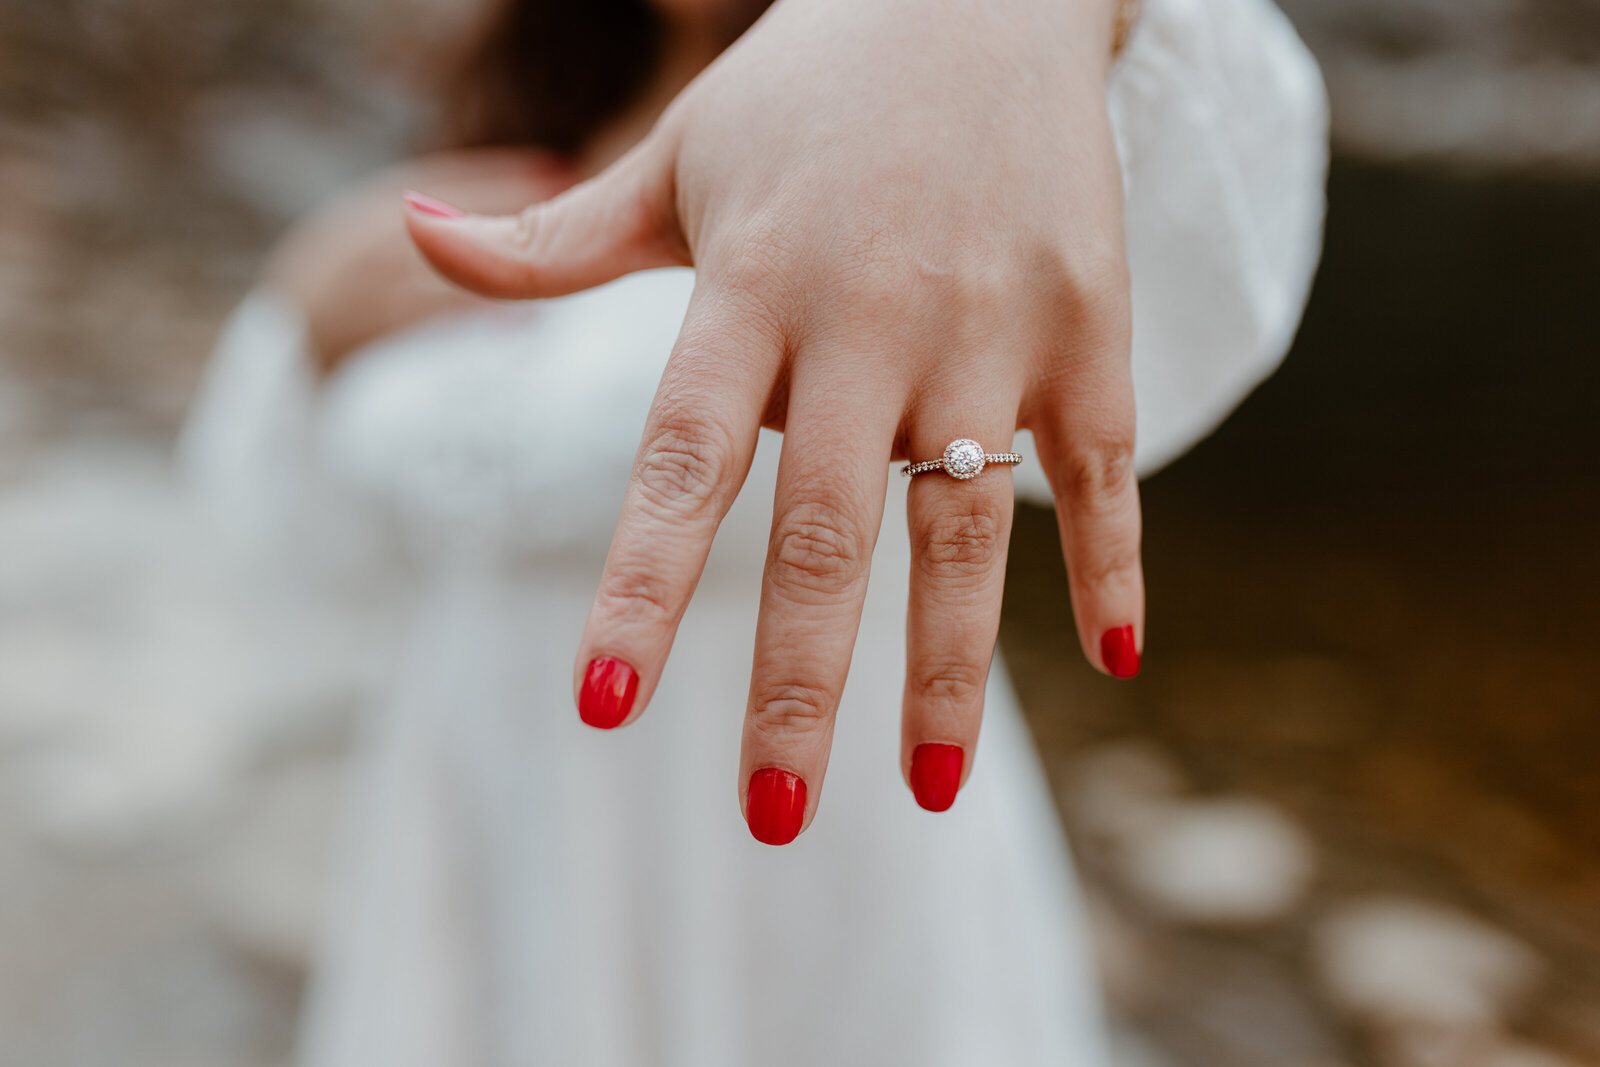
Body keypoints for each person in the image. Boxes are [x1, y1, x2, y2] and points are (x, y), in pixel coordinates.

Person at [181, 0, 1327, 1061]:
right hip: (487, 826)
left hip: (813, 840)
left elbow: (1228, 231)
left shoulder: (933, 126)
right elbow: (288, 556)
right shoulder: (509, 153)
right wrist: (310, 302)